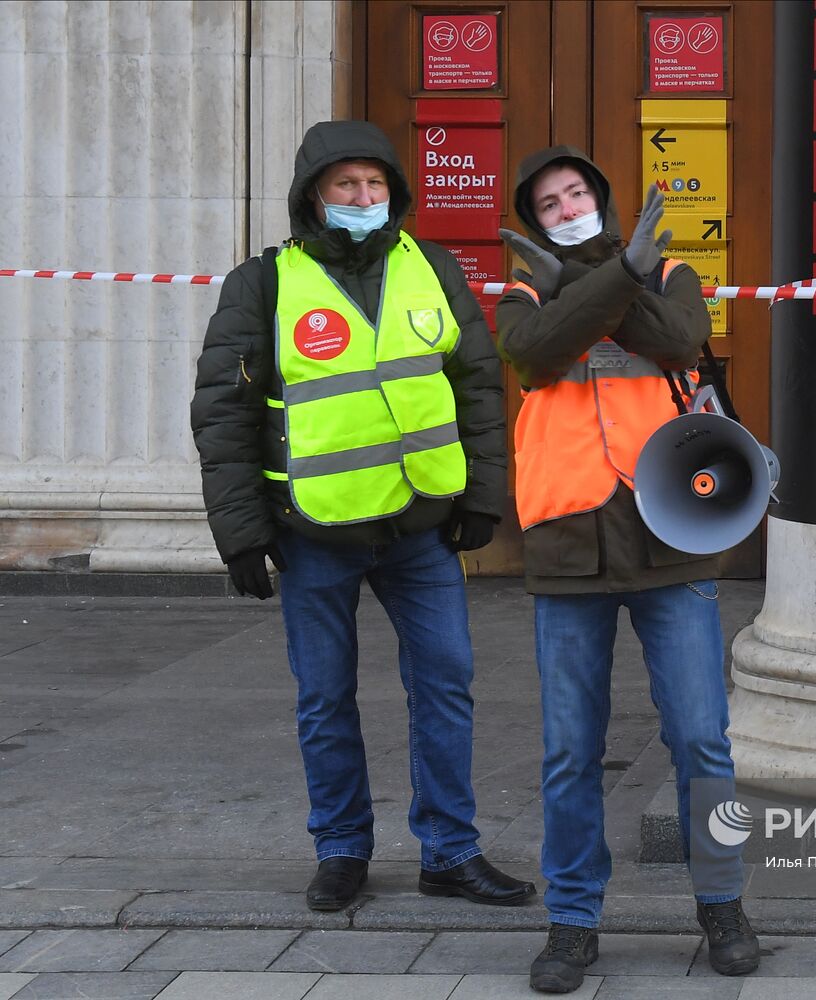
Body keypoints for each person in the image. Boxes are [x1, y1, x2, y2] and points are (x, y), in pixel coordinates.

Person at [190, 120, 534, 914]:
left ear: (395, 193)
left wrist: (483, 495)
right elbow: (223, 410)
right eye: (346, 184)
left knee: (447, 685)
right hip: (315, 531)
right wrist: (240, 532)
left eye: (375, 185)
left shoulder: (434, 267)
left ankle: (450, 850)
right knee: (324, 698)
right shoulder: (264, 283)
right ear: (315, 193)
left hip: (420, 528)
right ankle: (341, 848)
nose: (363, 198)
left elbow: (477, 385)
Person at [495, 146, 759, 994]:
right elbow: (533, 355)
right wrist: (613, 283)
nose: (566, 207)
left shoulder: (672, 270)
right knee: (571, 749)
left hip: (669, 532)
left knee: (701, 739)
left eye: (576, 194)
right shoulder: (522, 286)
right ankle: (573, 922)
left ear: (602, 200)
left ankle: (723, 902)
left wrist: (615, 279)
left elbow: (682, 337)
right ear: (533, 220)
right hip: (569, 539)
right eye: (549, 202)